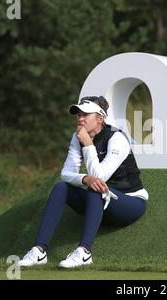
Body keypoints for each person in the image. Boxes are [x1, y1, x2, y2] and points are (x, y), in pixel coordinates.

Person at [17, 96, 148, 268]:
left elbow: (100, 178)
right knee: (61, 188)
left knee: (96, 188)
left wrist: (87, 144)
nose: (80, 118)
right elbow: (66, 174)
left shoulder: (117, 138)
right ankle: (39, 250)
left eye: (85, 115)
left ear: (100, 119)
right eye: (78, 115)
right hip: (101, 205)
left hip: (129, 203)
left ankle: (84, 252)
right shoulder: (77, 137)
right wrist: (84, 178)